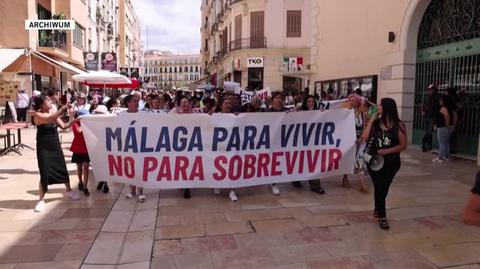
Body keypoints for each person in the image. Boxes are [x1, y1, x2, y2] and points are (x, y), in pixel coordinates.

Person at [361, 98, 407, 230]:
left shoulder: (399, 125)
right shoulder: (375, 123)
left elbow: (403, 145)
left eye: (380, 104)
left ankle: (377, 206)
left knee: (384, 187)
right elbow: (364, 137)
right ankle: (382, 216)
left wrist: (387, 151)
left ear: (387, 107)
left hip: (391, 162)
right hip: (374, 161)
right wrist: (372, 118)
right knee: (379, 186)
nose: (378, 106)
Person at [32, 94, 80, 212]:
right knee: (44, 171)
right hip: (44, 147)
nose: (50, 102)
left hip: (55, 145)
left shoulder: (53, 113)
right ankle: (41, 199)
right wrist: (62, 109)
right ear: (41, 104)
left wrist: (75, 121)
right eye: (47, 100)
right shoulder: (38, 115)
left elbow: (63, 126)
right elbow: (48, 119)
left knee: (62, 167)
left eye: (49, 100)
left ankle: (69, 191)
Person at [291, 95, 326, 194]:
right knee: (300, 161)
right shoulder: (301, 113)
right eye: (309, 101)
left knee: (313, 162)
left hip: (314, 142)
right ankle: (296, 179)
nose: (311, 103)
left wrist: (323, 114)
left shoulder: (319, 113)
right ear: (305, 103)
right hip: (301, 141)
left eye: (313, 101)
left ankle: (315, 185)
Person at [342, 94, 369, 192]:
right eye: (350, 100)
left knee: (359, 159)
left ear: (357, 102)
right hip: (349, 139)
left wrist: (362, 137)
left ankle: (361, 183)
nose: (351, 102)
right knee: (349, 159)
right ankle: (345, 178)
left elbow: (364, 127)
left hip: (359, 139)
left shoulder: (361, 113)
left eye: (353, 100)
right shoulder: (346, 112)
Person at [123, 94, 146, 202]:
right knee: (130, 169)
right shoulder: (122, 115)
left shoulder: (142, 114)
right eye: (135, 101)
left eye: (138, 101)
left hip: (140, 146)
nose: (137, 103)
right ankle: (132, 191)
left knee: (139, 169)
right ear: (128, 103)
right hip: (128, 147)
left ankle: (141, 192)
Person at [266, 92, 285, 196]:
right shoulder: (267, 112)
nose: (278, 99)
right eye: (276, 97)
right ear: (272, 100)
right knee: (272, 160)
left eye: (280, 98)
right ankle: (273, 183)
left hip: (282, 140)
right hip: (271, 140)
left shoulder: (286, 111)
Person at [70, 109, 91, 197]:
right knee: (79, 167)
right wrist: (84, 124)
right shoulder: (75, 123)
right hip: (78, 148)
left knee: (86, 168)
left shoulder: (89, 124)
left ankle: (85, 187)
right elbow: (78, 131)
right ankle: (80, 182)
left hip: (86, 149)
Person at [92, 105, 110, 193]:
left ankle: (105, 183)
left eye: (98, 113)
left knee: (105, 165)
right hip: (96, 146)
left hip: (105, 147)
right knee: (99, 165)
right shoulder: (93, 122)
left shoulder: (108, 123)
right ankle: (102, 181)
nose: (96, 114)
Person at [433, 94, 455, 163]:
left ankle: (440, 158)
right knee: (446, 142)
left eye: (441, 100)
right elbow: (455, 116)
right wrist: (453, 125)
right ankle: (446, 156)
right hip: (448, 127)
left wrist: (447, 125)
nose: (440, 101)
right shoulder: (450, 108)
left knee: (441, 143)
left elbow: (447, 116)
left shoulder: (443, 108)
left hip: (443, 127)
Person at [421, 84, 439, 152]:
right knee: (427, 132)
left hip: (432, 117)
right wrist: (422, 111)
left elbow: (437, 108)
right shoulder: (427, 97)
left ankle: (424, 143)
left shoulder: (436, 97)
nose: (429, 91)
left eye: (431, 90)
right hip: (426, 116)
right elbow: (423, 104)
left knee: (429, 132)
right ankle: (428, 145)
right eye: (429, 90)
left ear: (434, 90)